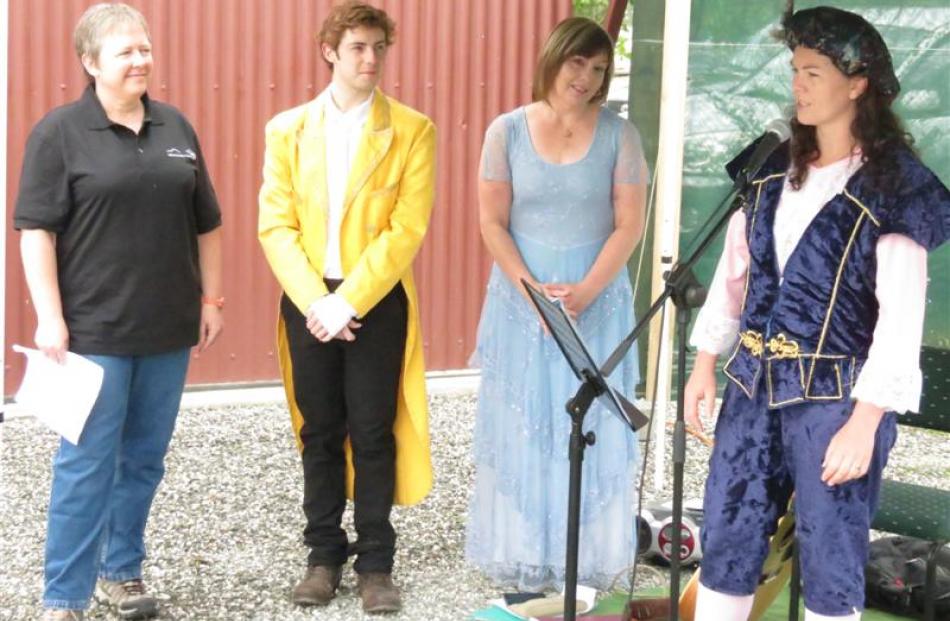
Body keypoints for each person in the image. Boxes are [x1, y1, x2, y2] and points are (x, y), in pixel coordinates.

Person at [685, 4, 950, 620]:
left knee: (830, 559)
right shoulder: (774, 170)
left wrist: (865, 422)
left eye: (813, 72)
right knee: (727, 540)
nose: (797, 85)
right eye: (795, 71)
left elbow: (901, 318)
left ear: (857, 84)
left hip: (836, 400)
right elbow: (735, 274)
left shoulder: (895, 188)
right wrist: (704, 364)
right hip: (751, 386)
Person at [13, 4, 224, 620]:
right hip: (94, 331)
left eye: (145, 48)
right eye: (125, 51)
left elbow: (206, 223)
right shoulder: (60, 132)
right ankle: (64, 595)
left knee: (143, 459)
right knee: (85, 465)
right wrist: (50, 317)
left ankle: (120, 572)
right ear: (90, 62)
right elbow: (35, 231)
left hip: (166, 329)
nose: (140, 60)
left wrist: (210, 299)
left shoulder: (176, 127)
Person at [257, 0, 435, 613]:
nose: (371, 59)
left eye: (379, 48)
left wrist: (349, 299)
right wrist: (317, 301)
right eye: (358, 47)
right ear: (330, 51)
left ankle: (377, 564)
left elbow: (406, 231)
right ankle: (323, 555)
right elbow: (275, 226)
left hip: (375, 302)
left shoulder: (412, 130)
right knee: (320, 431)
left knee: (374, 431)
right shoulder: (287, 131)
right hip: (309, 301)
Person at [465, 17, 647, 591]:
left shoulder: (622, 135)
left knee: (592, 427)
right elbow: (492, 222)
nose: (587, 78)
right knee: (525, 430)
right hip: (523, 303)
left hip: (596, 302)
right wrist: (532, 294)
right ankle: (525, 570)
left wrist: (588, 291)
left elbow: (630, 225)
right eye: (578, 63)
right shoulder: (506, 131)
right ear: (555, 58)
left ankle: (582, 569)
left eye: (599, 69)